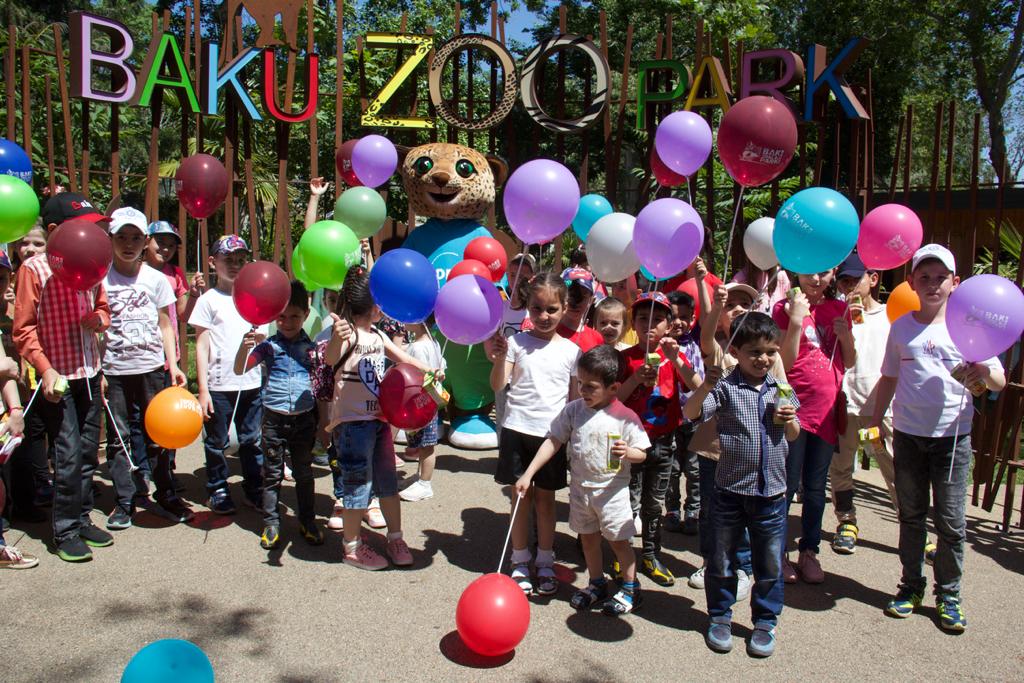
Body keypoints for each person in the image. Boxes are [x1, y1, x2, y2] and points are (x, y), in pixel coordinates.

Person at [872, 244, 1005, 632]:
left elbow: (996, 381)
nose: (933, 284)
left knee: (951, 523)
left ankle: (948, 595)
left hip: (952, 440)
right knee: (911, 516)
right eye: (924, 277)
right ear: (911, 282)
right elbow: (889, 377)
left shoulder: (970, 328)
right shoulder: (902, 327)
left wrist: (979, 365)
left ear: (955, 283)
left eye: (940, 277)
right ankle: (911, 586)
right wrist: (875, 418)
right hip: (909, 437)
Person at [684, 312, 801, 658]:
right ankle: (719, 615)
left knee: (769, 563)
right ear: (736, 350)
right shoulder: (725, 387)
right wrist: (706, 384)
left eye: (770, 352)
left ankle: (765, 621)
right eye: (754, 352)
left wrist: (789, 420)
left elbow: (793, 435)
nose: (763, 359)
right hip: (729, 492)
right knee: (720, 559)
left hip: (772, 494)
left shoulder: (780, 388)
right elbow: (691, 413)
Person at [13, 192, 113, 562]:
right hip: (57, 379)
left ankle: (82, 516)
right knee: (68, 454)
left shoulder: (92, 263)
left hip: (89, 370)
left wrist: (99, 320)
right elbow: (22, 330)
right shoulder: (33, 270)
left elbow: (103, 309)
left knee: (88, 451)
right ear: (55, 232)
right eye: (80, 228)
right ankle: (65, 529)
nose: (90, 236)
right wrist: (45, 367)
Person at [516, 345, 649, 614]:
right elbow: (553, 440)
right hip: (581, 491)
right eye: (580, 384)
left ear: (613, 388)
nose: (582, 391)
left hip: (611, 493)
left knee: (619, 542)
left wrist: (629, 452)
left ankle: (630, 587)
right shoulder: (573, 411)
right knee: (588, 540)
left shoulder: (624, 416)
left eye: (591, 386)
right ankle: (596, 583)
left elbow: (643, 453)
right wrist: (528, 474)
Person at [325, 266, 433, 570]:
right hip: (352, 427)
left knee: (387, 484)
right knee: (358, 485)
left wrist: (429, 372)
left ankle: (395, 538)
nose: (383, 308)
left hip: (379, 423)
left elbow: (405, 360)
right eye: (380, 303)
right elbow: (330, 359)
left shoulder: (377, 334)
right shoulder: (347, 335)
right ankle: (352, 547)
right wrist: (336, 337)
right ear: (372, 306)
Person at [485, 272, 580, 595]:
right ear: (527, 307)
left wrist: (572, 437)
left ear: (564, 308)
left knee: (546, 501)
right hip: (516, 429)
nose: (543, 316)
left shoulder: (570, 351)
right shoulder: (515, 343)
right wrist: (499, 358)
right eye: (537, 308)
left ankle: (545, 560)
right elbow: (498, 385)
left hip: (551, 438)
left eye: (552, 309)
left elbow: (574, 400)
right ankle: (520, 559)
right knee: (519, 498)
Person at [100, 207, 190, 529]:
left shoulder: (156, 279)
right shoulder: (101, 279)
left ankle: (166, 493)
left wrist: (174, 364)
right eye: (122, 237)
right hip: (115, 370)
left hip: (153, 368)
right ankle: (124, 502)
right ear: (110, 239)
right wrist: (99, 371)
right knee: (119, 437)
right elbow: (96, 330)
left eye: (136, 237)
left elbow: (166, 325)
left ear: (145, 240)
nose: (129, 243)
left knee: (159, 433)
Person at [686, 258, 765, 598]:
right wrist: (714, 305)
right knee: (711, 509)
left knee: (745, 510)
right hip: (713, 449)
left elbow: (783, 385)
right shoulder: (719, 352)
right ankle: (712, 561)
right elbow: (705, 333)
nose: (737, 310)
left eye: (744, 304)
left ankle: (744, 566)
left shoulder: (765, 356)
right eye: (731, 305)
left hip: (749, 451)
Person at [773, 267, 855, 584]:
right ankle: (778, 553)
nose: (816, 278)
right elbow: (785, 363)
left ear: (834, 272)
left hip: (827, 413)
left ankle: (809, 552)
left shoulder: (840, 308)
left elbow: (849, 361)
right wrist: (795, 321)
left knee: (817, 488)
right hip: (794, 411)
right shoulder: (784, 308)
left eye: (824, 272)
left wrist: (846, 336)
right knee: (788, 485)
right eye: (809, 272)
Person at [617, 291, 700, 587]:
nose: (650, 325)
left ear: (668, 325)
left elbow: (697, 386)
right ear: (633, 323)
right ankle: (621, 553)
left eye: (658, 320)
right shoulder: (625, 358)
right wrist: (636, 378)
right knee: (629, 501)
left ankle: (651, 554)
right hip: (631, 444)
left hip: (664, 443)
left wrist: (677, 360)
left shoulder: (674, 357)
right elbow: (614, 399)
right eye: (643, 318)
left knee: (655, 504)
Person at [235, 281, 321, 549]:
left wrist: (325, 425)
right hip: (273, 421)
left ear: (306, 315)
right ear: (274, 316)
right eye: (282, 316)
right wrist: (243, 346)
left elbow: (324, 380)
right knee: (271, 475)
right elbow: (240, 369)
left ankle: (307, 520)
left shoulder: (313, 349)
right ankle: (272, 523)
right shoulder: (269, 347)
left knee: (304, 474)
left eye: (295, 316)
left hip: (304, 421)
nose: (287, 322)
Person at [188, 235, 267, 514]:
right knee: (216, 441)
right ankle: (218, 488)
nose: (234, 265)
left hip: (251, 383)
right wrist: (203, 390)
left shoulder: (255, 297)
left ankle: (254, 488)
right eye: (227, 260)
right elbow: (201, 344)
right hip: (220, 384)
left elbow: (265, 339)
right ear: (212, 262)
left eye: (240, 260)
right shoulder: (209, 301)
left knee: (251, 440)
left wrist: (260, 338)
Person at [830, 253, 898, 553]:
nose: (849, 286)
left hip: (879, 413)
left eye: (854, 279)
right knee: (841, 467)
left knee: (893, 467)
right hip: (846, 410)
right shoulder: (836, 315)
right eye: (843, 280)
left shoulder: (891, 316)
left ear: (872, 279)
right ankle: (846, 521)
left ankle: (914, 529)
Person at [664, 290, 702, 535]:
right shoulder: (661, 346)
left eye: (685, 317)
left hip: (694, 417)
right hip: (669, 417)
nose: (679, 322)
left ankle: (693, 511)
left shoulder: (695, 346)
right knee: (672, 467)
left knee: (695, 467)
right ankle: (672, 510)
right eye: (674, 317)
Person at [399, 318, 446, 502]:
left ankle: (425, 484)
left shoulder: (418, 347)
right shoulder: (433, 342)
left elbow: (414, 376)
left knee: (427, 445)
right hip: (429, 401)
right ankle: (420, 477)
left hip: (421, 402)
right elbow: (443, 366)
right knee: (422, 443)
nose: (403, 321)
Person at [558, 267, 603, 351]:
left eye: (584, 295)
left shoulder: (596, 338)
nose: (576, 302)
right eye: (571, 294)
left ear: (591, 300)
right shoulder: (548, 332)